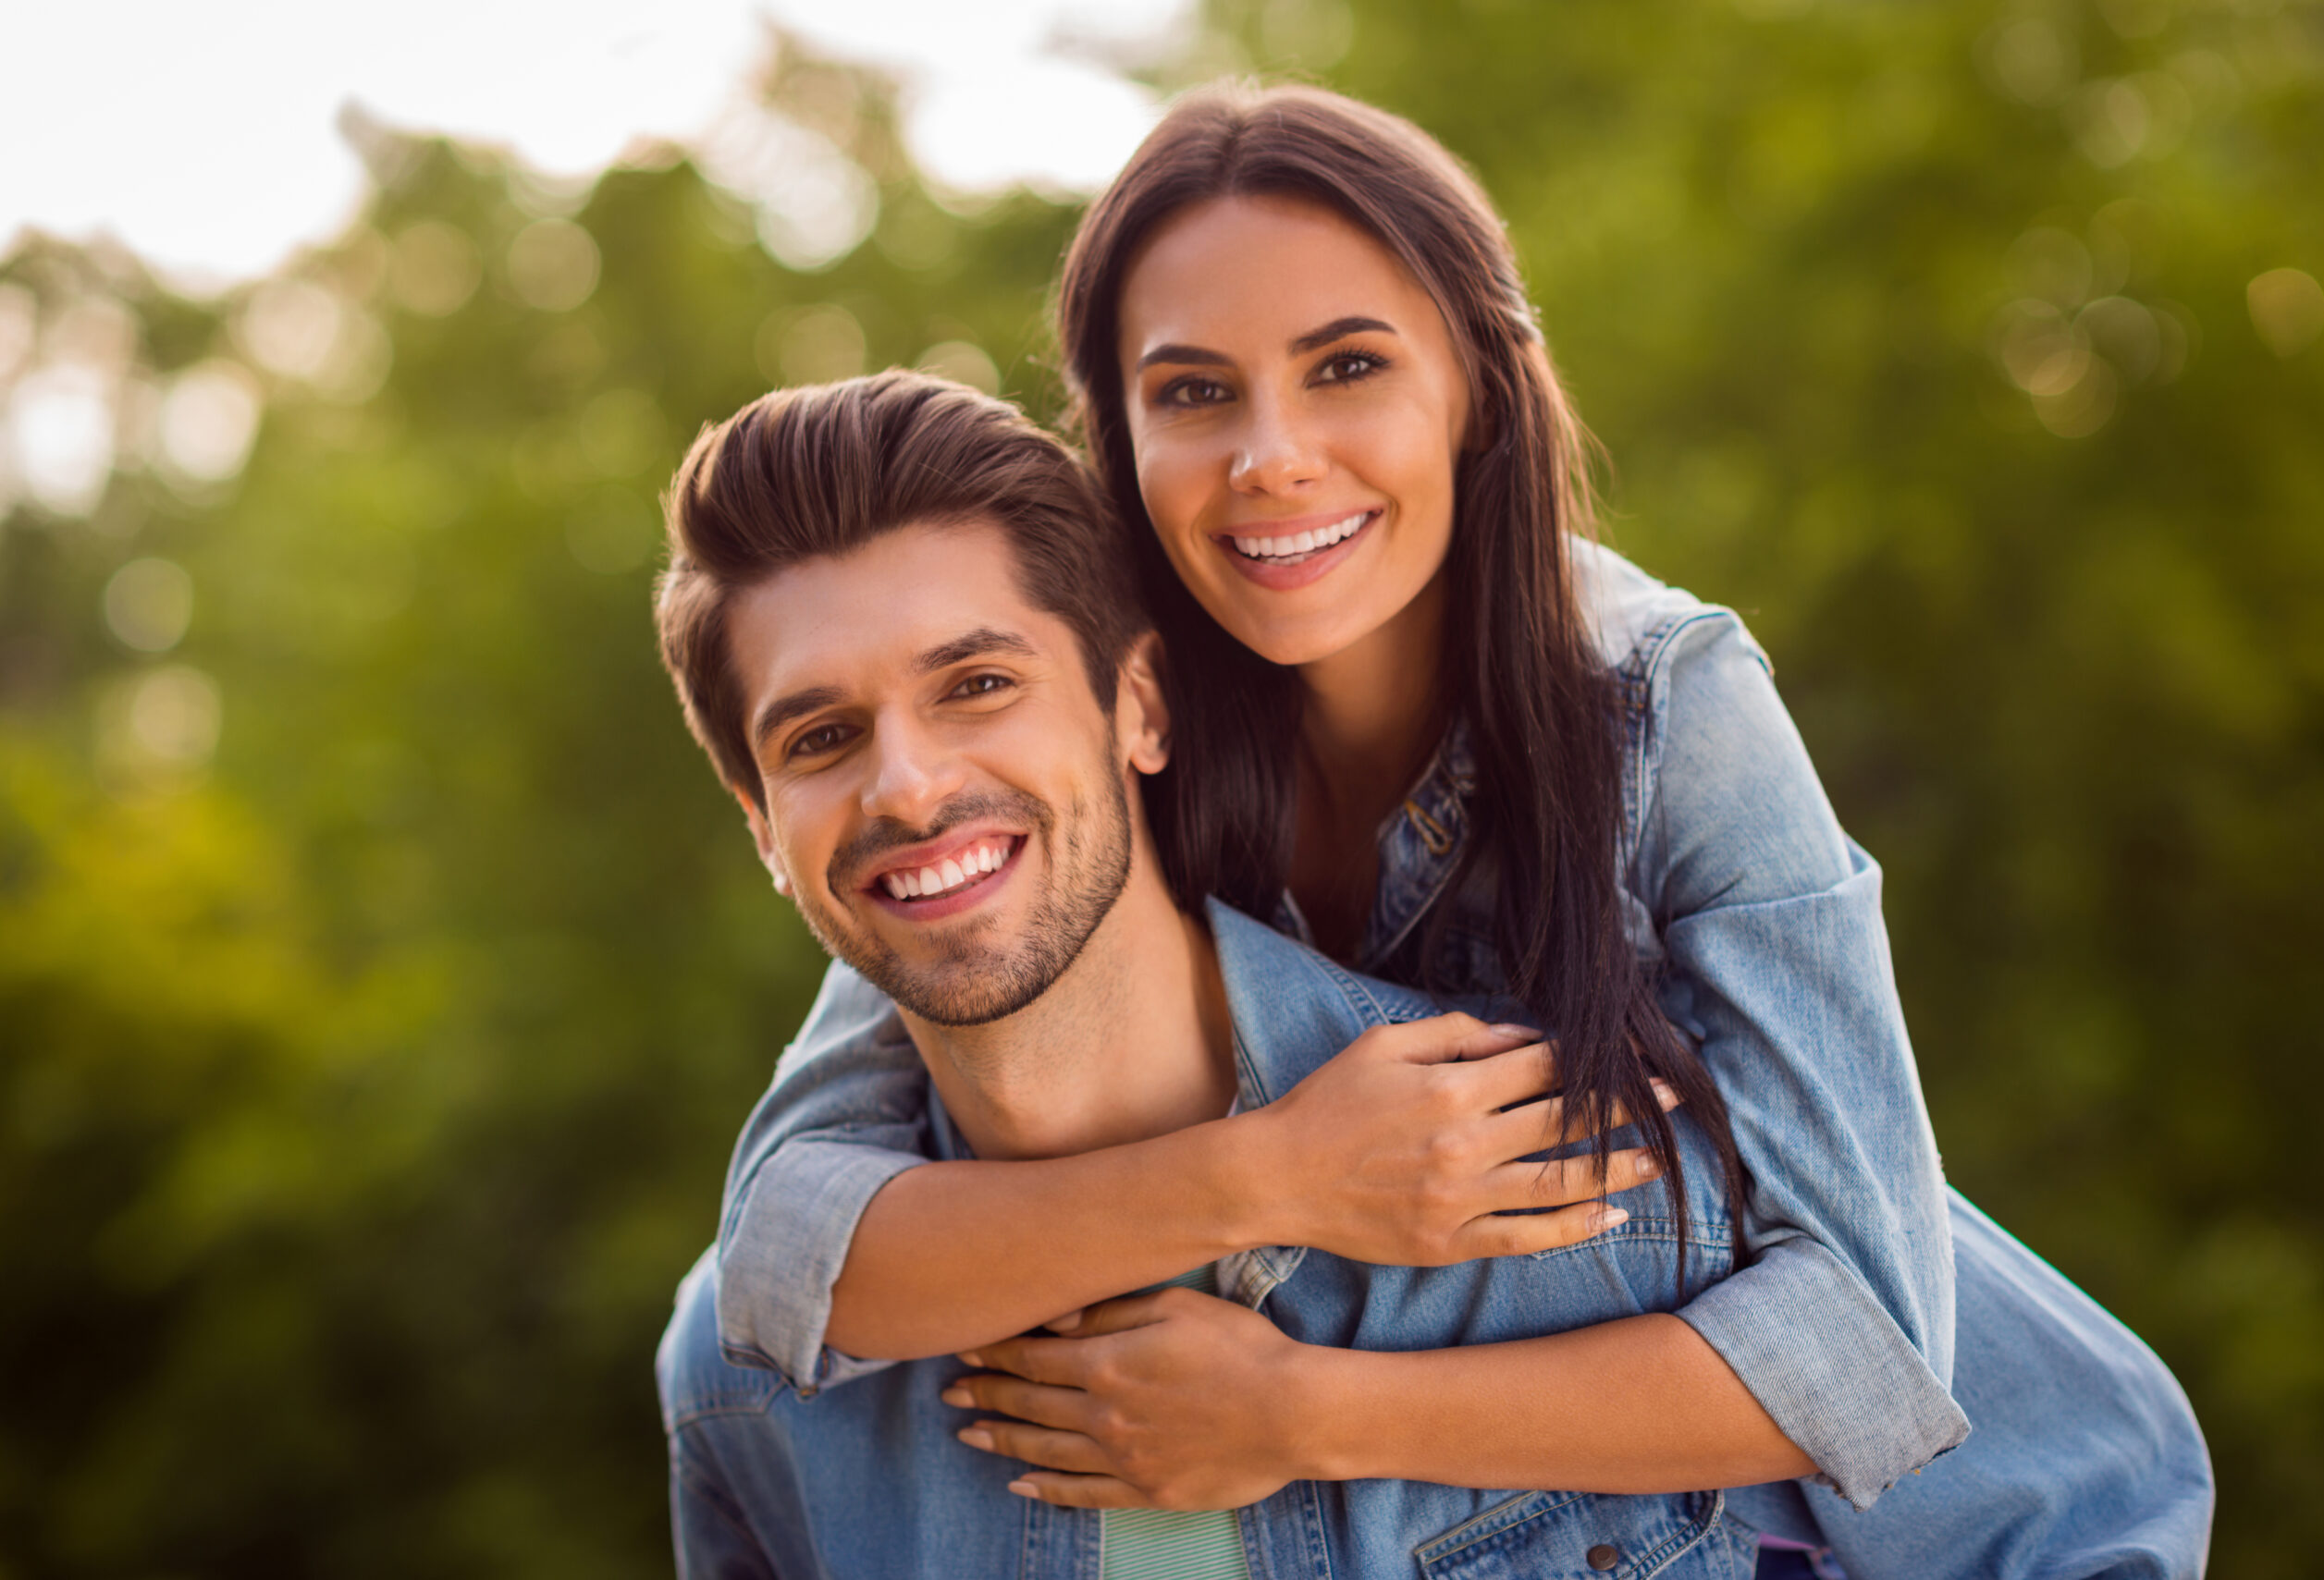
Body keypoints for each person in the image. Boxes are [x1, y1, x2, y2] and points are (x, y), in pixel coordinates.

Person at [655, 373, 2207, 1579]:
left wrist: (1317, 1409)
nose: (911, 786)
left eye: (979, 683)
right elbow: (791, 1246)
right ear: (757, 825)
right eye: (821, 737)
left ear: (1140, 705)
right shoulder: (753, 1387)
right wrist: (1254, 1177)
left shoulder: (1553, 1162)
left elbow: (2089, 1480)